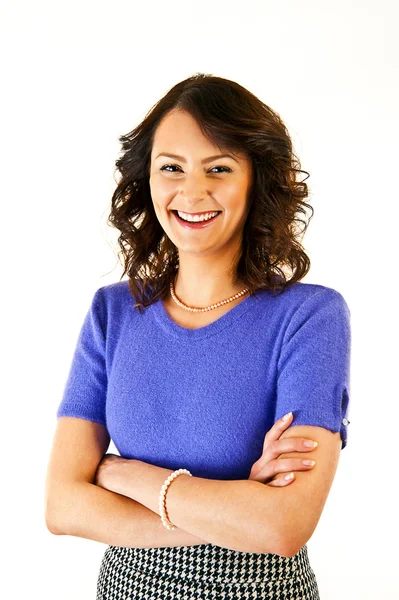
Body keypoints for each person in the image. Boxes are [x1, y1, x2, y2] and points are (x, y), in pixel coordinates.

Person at [45, 73, 351, 600]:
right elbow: (62, 507)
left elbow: (282, 529)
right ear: (147, 180)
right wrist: (236, 511)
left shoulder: (310, 317)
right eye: (171, 168)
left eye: (219, 168)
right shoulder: (112, 312)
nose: (192, 191)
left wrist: (125, 476)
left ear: (256, 181)